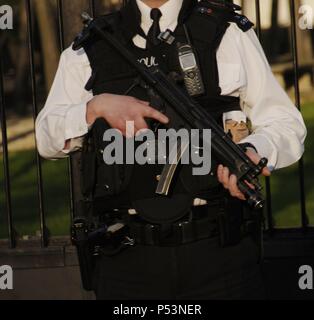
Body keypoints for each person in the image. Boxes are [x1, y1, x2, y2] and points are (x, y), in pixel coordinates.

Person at [35, 0, 306, 300]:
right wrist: (93, 108)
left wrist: (254, 150)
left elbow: (285, 123)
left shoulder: (228, 31)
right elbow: (46, 139)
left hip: (220, 253)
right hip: (127, 260)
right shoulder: (93, 44)